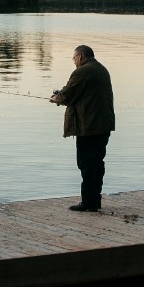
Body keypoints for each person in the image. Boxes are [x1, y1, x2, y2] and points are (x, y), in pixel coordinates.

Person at [49, 44, 115, 212]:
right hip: (103, 125)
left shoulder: (82, 71)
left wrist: (57, 98)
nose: (74, 62)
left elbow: (68, 94)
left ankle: (87, 202)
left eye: (74, 58)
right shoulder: (101, 69)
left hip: (89, 127)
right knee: (97, 163)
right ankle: (95, 201)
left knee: (86, 163)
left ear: (80, 57)